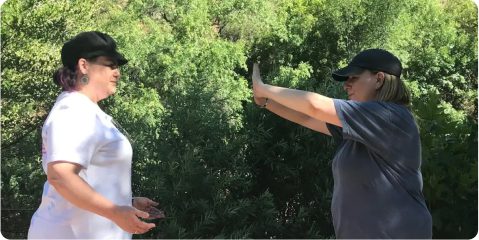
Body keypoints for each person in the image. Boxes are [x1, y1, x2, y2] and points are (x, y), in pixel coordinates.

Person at [251, 49, 432, 238]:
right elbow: (307, 117)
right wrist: (266, 102)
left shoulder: (390, 117)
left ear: (379, 79)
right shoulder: (360, 127)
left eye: (353, 78)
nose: (346, 85)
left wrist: (263, 88)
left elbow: (315, 105)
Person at [28, 31, 164, 239]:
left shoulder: (86, 110)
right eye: (111, 64)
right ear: (84, 65)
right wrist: (115, 212)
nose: (117, 72)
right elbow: (61, 177)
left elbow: (88, 179)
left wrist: (125, 201)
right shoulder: (73, 110)